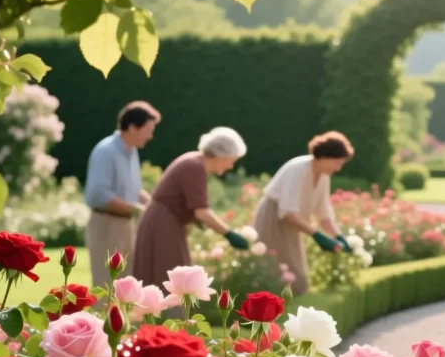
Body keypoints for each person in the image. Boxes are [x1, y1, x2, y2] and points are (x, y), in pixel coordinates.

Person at [131, 127, 250, 290]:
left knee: (168, 275)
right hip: (163, 224)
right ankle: (168, 315)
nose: (230, 166)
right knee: (169, 277)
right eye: (231, 160)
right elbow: (201, 211)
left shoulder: (194, 161)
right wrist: (228, 234)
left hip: (164, 221)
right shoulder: (195, 166)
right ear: (221, 154)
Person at [252, 131, 354, 297]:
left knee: (297, 274)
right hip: (273, 219)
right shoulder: (298, 169)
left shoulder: (324, 177)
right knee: (272, 268)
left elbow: (324, 213)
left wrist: (338, 236)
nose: (338, 168)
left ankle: (289, 304)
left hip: (294, 222)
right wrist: (318, 236)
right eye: (336, 162)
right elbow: (287, 212)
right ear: (323, 157)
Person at [83, 101, 160, 287]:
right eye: (148, 129)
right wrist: (138, 210)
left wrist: (155, 207)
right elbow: (98, 195)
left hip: (126, 227)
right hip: (106, 226)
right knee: (105, 288)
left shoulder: (131, 151)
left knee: (127, 289)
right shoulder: (106, 151)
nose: (151, 135)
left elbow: (133, 190)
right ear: (133, 127)